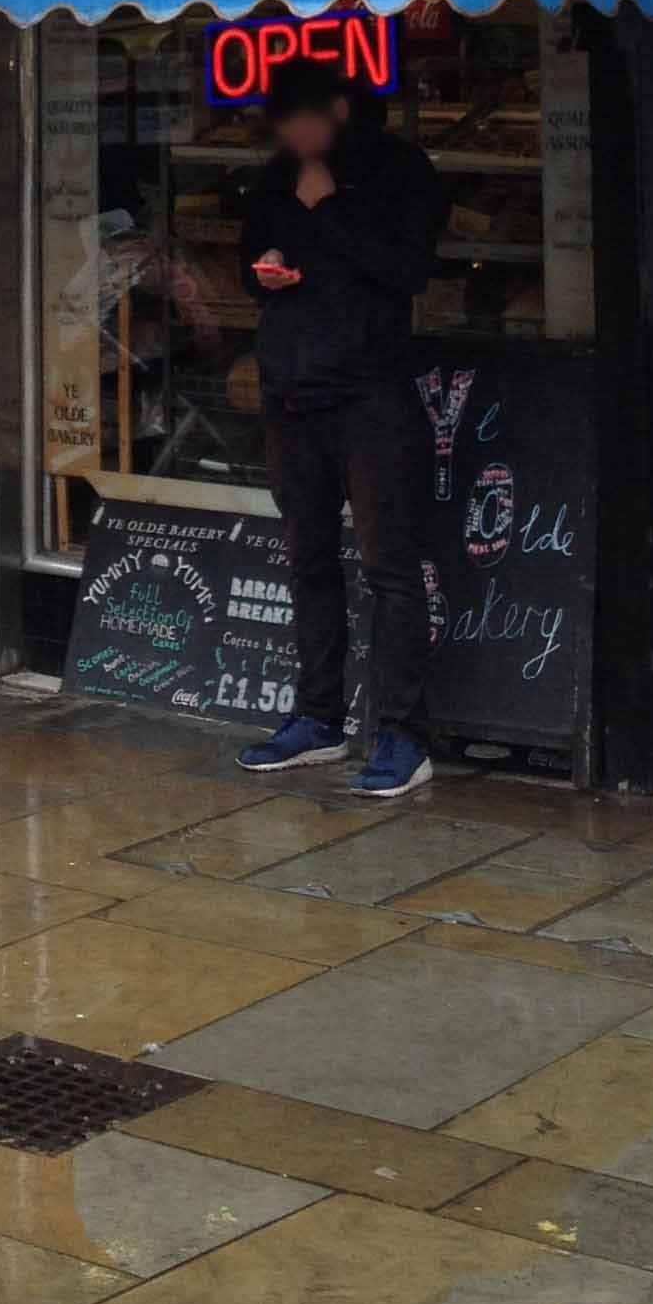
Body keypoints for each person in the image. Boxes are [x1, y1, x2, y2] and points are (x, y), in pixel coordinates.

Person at [235, 56, 445, 796]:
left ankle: (403, 734)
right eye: (283, 126)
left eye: (302, 123)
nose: (292, 138)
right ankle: (318, 717)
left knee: (389, 567)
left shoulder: (399, 171)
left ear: (339, 112)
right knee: (308, 559)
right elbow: (252, 252)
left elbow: (408, 270)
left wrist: (328, 211)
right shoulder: (278, 173)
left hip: (369, 393)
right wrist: (264, 266)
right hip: (292, 390)